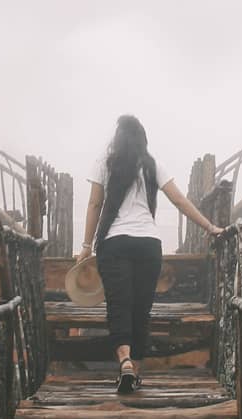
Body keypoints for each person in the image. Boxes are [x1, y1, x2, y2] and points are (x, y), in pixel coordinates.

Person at [79, 115, 223, 394]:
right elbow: (179, 200)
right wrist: (210, 227)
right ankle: (137, 372)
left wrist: (86, 246)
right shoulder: (152, 164)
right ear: (143, 139)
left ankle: (125, 363)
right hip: (148, 244)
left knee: (119, 306)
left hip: (115, 243)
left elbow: (95, 203)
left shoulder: (104, 164)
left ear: (117, 138)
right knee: (141, 310)